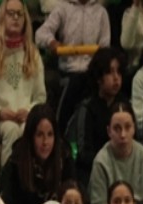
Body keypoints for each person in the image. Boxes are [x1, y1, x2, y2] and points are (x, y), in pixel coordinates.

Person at [0, 104, 75, 204]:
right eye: (40, 135)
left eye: (50, 135)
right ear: (31, 136)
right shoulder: (16, 163)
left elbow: (74, 197)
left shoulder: (65, 158)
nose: (45, 142)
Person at [0, 0, 46, 165]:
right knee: (11, 129)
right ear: (2, 17)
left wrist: (29, 111)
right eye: (11, 13)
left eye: (19, 14)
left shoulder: (33, 55)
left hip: (27, 118)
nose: (16, 17)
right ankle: (8, 178)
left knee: (27, 129)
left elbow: (40, 97)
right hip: (0, 121)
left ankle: (32, 177)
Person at [34, 0, 111, 133]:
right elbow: (40, 34)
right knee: (73, 83)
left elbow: (105, 46)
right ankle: (60, 133)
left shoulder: (101, 13)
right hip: (68, 70)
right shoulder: (62, 9)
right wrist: (52, 42)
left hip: (92, 71)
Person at [67, 47, 127, 187]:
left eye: (119, 72)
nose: (116, 78)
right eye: (110, 72)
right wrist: (107, 163)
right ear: (99, 78)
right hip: (93, 171)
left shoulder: (125, 105)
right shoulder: (87, 108)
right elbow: (83, 153)